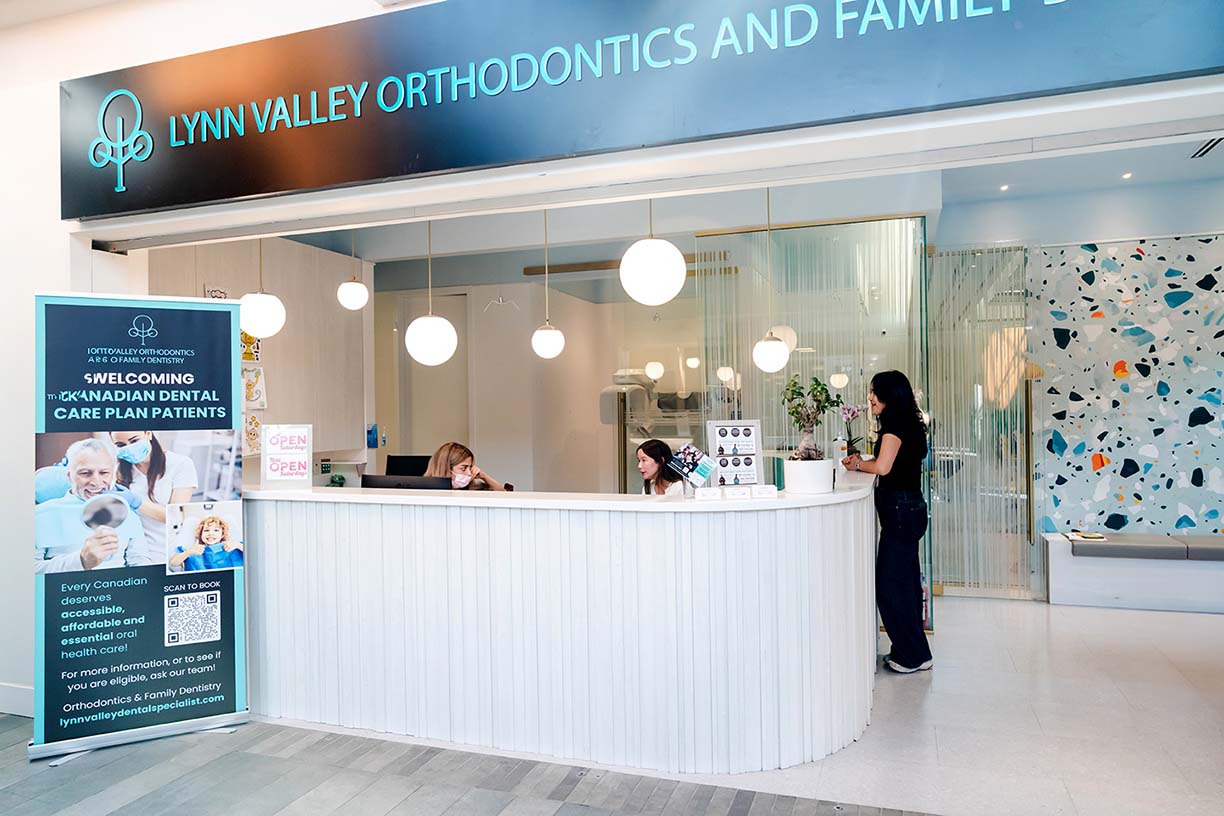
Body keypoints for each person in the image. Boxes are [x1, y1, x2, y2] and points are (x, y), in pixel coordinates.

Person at [842, 370, 933, 674]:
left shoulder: (894, 426)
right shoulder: (909, 422)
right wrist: (863, 463)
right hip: (909, 510)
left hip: (901, 514)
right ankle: (916, 652)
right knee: (906, 586)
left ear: (889, 395)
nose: (870, 398)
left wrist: (859, 464)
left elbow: (883, 467)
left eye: (874, 392)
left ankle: (910, 656)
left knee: (890, 587)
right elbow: (894, 464)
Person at [35, 438, 146, 573]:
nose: (96, 482)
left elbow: (140, 561)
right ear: (69, 476)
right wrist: (81, 561)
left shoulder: (128, 514)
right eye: (85, 473)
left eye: (104, 473)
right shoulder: (41, 515)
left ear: (113, 474)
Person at [111, 431, 198, 565]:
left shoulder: (180, 464)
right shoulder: (120, 470)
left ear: (148, 434)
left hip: (163, 548)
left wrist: (136, 502)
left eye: (134, 441)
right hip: (133, 548)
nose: (129, 448)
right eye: (121, 445)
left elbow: (172, 516)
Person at [169, 515, 243, 571]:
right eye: (206, 530)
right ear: (201, 534)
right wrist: (188, 552)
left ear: (222, 534)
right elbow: (173, 563)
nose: (210, 533)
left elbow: (249, 555)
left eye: (216, 530)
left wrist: (237, 545)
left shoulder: (231, 545)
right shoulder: (194, 549)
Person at [425, 442, 506, 491]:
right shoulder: (424, 490)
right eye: (463, 468)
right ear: (446, 468)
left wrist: (484, 476)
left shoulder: (472, 488)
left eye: (470, 468)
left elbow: (503, 494)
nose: (469, 473)